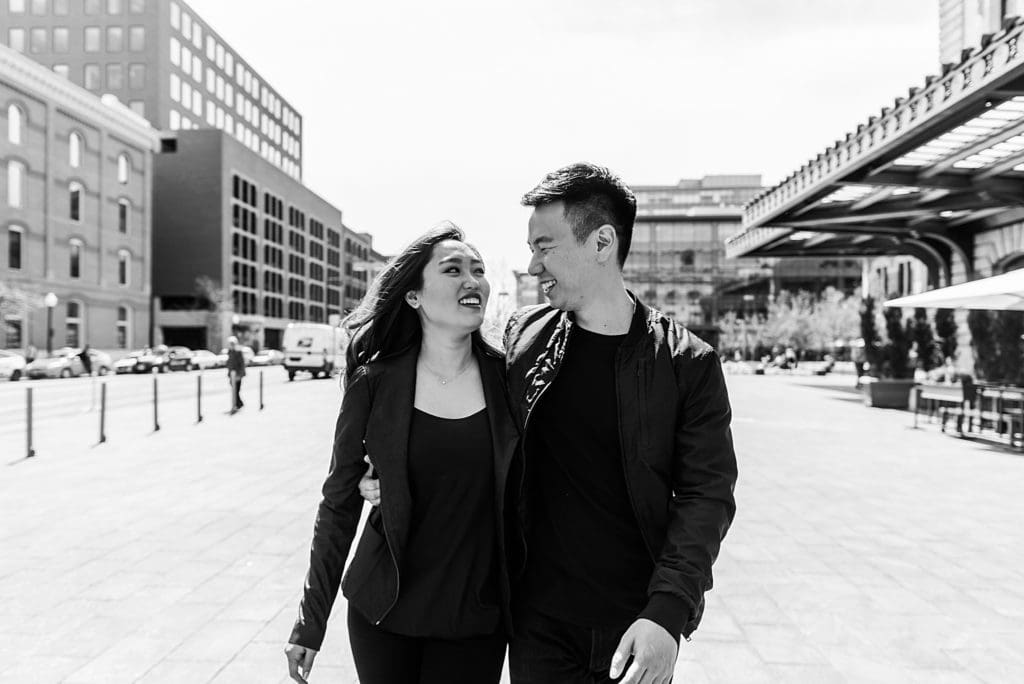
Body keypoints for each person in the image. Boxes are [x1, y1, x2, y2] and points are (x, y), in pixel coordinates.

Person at [361, 163, 738, 684]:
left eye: (545, 246)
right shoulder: (519, 342)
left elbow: (708, 496)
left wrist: (666, 616)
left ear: (602, 243)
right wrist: (385, 466)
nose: (533, 265)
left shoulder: (686, 364)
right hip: (535, 624)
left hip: (636, 627)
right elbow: (442, 394)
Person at [284, 223, 520, 684]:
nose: (473, 281)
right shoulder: (375, 383)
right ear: (414, 296)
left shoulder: (511, 380)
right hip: (383, 614)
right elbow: (337, 506)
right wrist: (310, 623)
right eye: (453, 270)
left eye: (478, 270)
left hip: (477, 618)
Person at [226, 336, 246, 412]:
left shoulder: (238, 352)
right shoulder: (230, 352)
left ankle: (238, 404)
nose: (231, 345)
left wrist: (240, 375)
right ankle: (238, 404)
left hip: (237, 375)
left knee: (236, 390)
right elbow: (229, 364)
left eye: (232, 343)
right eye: (230, 344)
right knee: (234, 391)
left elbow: (242, 365)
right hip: (231, 375)